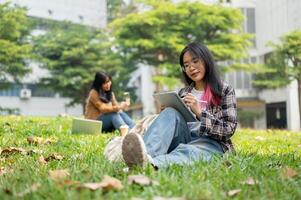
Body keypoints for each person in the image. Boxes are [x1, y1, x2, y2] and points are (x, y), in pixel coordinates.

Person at [122, 42, 237, 168]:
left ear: (206, 60)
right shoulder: (183, 93)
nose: (191, 68)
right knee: (171, 112)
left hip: (211, 143)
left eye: (195, 61)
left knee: (191, 152)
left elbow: (228, 129)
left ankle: (150, 164)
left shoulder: (224, 90)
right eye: (186, 65)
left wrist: (200, 113)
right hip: (185, 138)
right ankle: (144, 155)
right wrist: (167, 114)